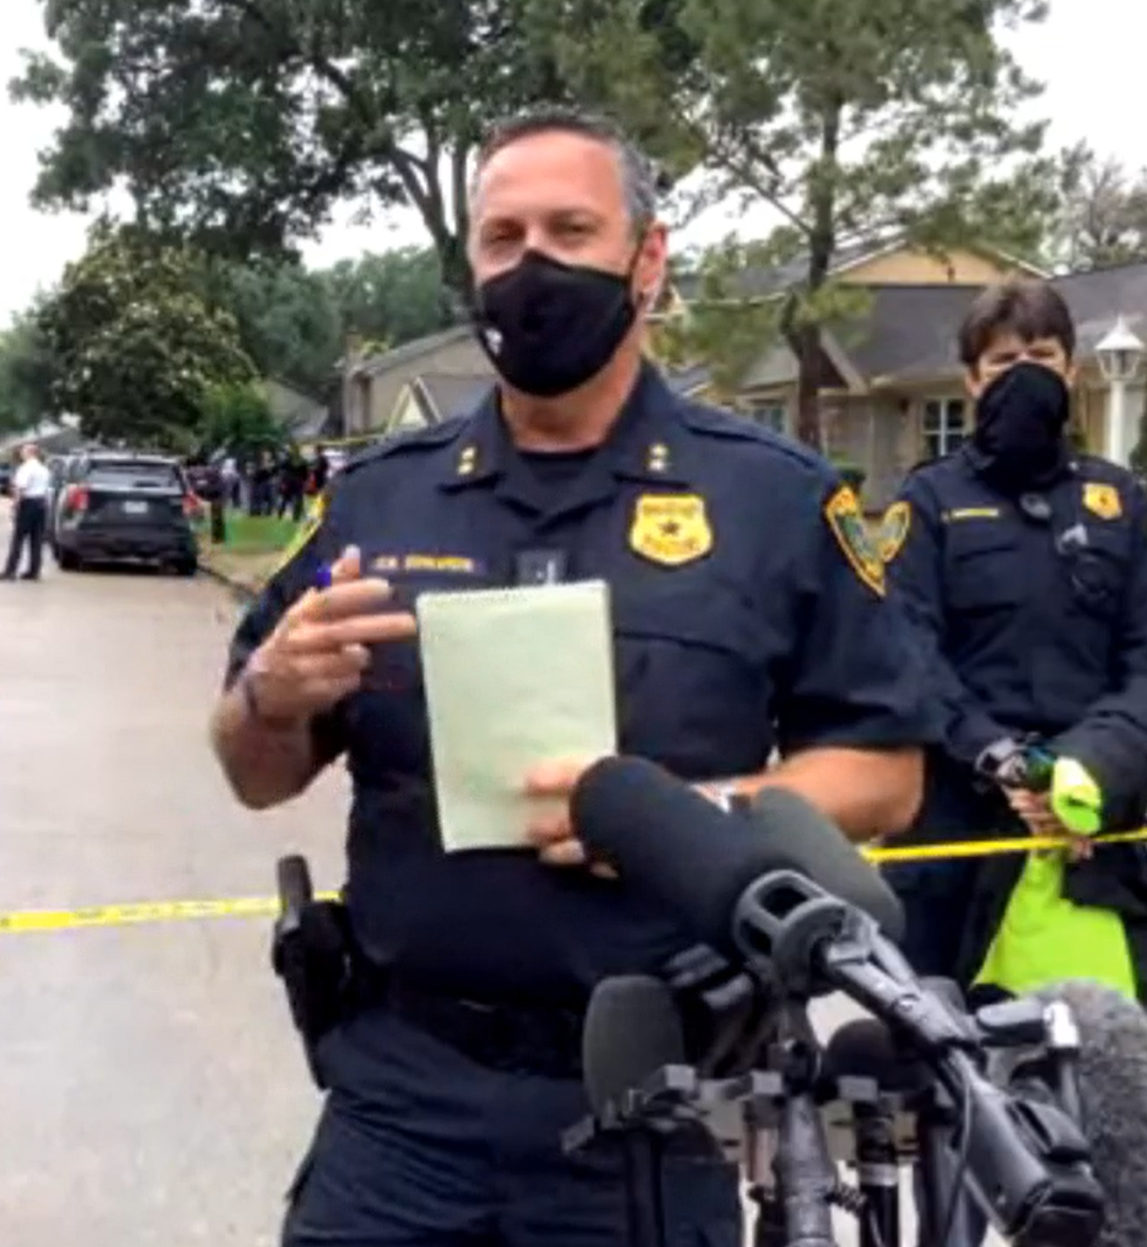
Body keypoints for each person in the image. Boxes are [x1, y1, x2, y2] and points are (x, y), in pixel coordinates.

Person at [211, 106, 928, 1247]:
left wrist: (687, 817)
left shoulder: (773, 501)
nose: (530, 265)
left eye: (569, 229)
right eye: (502, 238)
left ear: (648, 260)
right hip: (399, 1099)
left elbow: (885, 772)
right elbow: (253, 771)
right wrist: (272, 696)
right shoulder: (378, 498)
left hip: (649, 1102)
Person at [881, 278, 1147, 1025]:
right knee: (948, 1050)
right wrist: (1004, 762)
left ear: (1069, 370)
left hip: (1097, 812)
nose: (1022, 372)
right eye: (1001, 361)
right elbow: (909, 654)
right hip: (964, 812)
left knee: (1102, 1051)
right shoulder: (927, 502)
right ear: (969, 380)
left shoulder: (1115, 499)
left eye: (1040, 354)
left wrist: (1085, 771)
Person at [0, 442, 51, 581]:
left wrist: (15, 505)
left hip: (28, 503)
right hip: (41, 504)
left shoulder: (25, 468)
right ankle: (34, 571)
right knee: (37, 539)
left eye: (23, 451)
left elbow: (20, 488)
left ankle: (10, 571)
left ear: (30, 453)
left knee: (18, 538)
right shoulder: (44, 469)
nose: (21, 454)